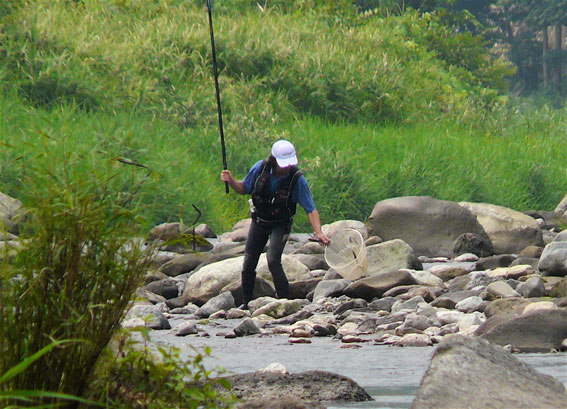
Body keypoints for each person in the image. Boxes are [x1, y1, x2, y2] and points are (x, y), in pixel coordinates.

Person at [220, 139, 330, 309]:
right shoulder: (260, 168)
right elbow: (244, 188)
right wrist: (232, 181)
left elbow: (311, 209)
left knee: (273, 260)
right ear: (274, 159)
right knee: (249, 262)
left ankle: (285, 302)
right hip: (259, 221)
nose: (286, 167)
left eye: (289, 164)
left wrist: (319, 232)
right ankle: (246, 303)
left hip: (281, 224)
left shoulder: (297, 179)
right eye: (282, 164)